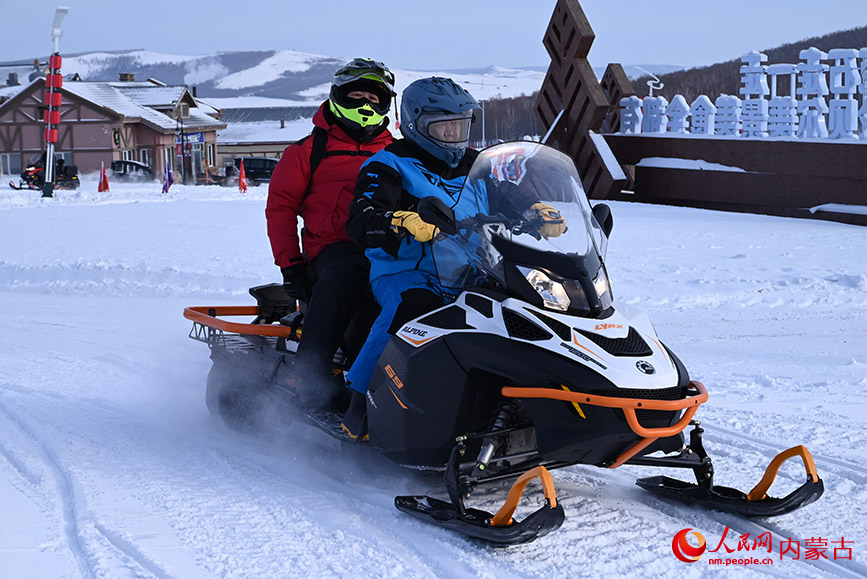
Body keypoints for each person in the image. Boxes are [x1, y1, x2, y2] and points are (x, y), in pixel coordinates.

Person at [342, 77, 567, 437]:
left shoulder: (476, 164)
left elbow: (507, 194)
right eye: (443, 125)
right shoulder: (388, 164)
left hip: (476, 269)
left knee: (531, 311)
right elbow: (362, 216)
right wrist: (399, 220)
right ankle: (360, 405)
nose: (452, 134)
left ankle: (539, 399)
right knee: (409, 311)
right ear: (415, 124)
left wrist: (535, 207)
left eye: (459, 125)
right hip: (408, 272)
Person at [265, 58, 395, 412]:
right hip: (333, 249)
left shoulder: (397, 152)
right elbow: (280, 208)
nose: (365, 106)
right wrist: (290, 264)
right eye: (357, 96)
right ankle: (309, 375)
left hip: (390, 248)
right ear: (339, 96)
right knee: (347, 276)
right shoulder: (307, 151)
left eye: (373, 99)